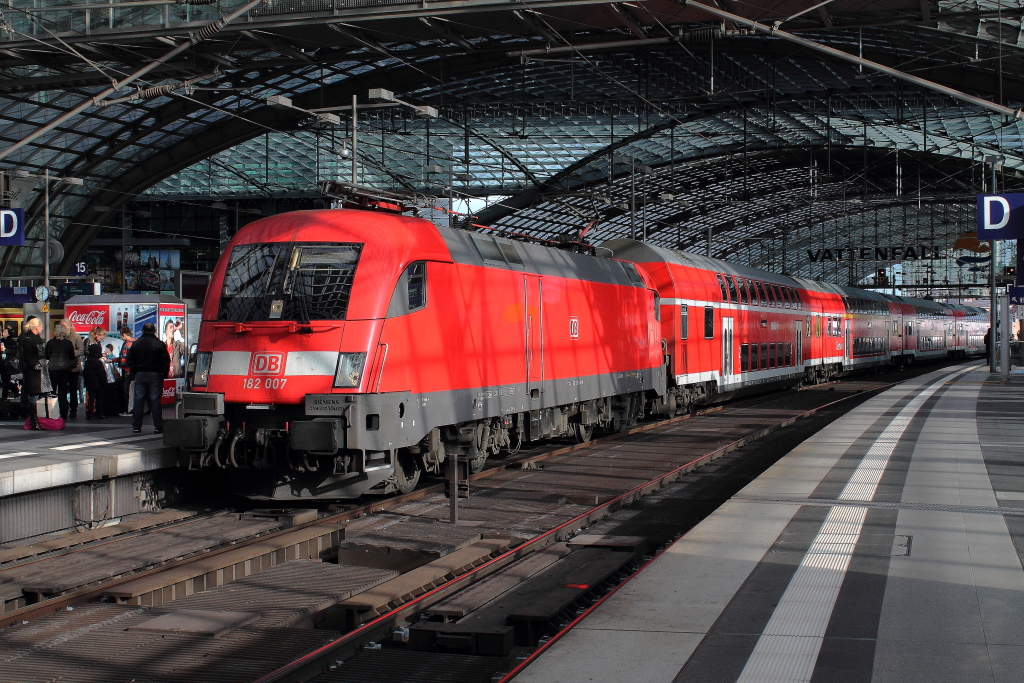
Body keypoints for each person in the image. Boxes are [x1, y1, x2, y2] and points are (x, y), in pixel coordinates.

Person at [127, 322, 169, 434]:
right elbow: (165, 361)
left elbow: (129, 360)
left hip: (140, 374)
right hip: (155, 374)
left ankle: (136, 426)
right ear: (154, 331)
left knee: (139, 400)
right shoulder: (159, 344)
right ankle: (158, 426)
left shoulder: (136, 344)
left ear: (143, 331)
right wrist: (164, 374)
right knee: (155, 401)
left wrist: (134, 372)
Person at [44, 323, 76, 420]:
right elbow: (72, 356)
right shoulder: (68, 343)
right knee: (63, 392)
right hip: (65, 369)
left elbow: (47, 355)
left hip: (53, 369)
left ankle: (51, 411)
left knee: (52, 391)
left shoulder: (50, 342)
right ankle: (63, 413)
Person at [18, 317, 44, 429]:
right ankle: (33, 420)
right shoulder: (28, 339)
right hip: (33, 371)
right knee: (33, 394)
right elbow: (28, 357)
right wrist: (37, 365)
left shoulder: (36, 338)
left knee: (38, 394)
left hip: (39, 369)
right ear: (36, 327)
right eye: (41, 326)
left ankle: (37, 418)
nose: (42, 328)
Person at [58, 318, 84, 419]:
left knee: (73, 389)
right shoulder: (61, 337)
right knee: (63, 389)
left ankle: (73, 409)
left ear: (69, 326)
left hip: (73, 367)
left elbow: (81, 350)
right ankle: (64, 407)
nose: (62, 328)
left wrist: (71, 354)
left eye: (64, 326)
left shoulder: (75, 337)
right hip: (64, 367)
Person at [83, 326, 107, 420]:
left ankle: (90, 413)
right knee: (96, 397)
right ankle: (97, 412)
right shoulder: (89, 342)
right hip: (95, 374)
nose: (102, 338)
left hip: (90, 373)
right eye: (101, 336)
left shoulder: (95, 343)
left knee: (91, 397)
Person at [116, 327, 135, 416]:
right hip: (134, 370)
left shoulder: (127, 344)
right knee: (132, 390)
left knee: (126, 389)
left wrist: (126, 370)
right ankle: (131, 408)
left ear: (123, 334)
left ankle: (127, 410)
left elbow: (126, 358)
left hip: (127, 370)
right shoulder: (135, 342)